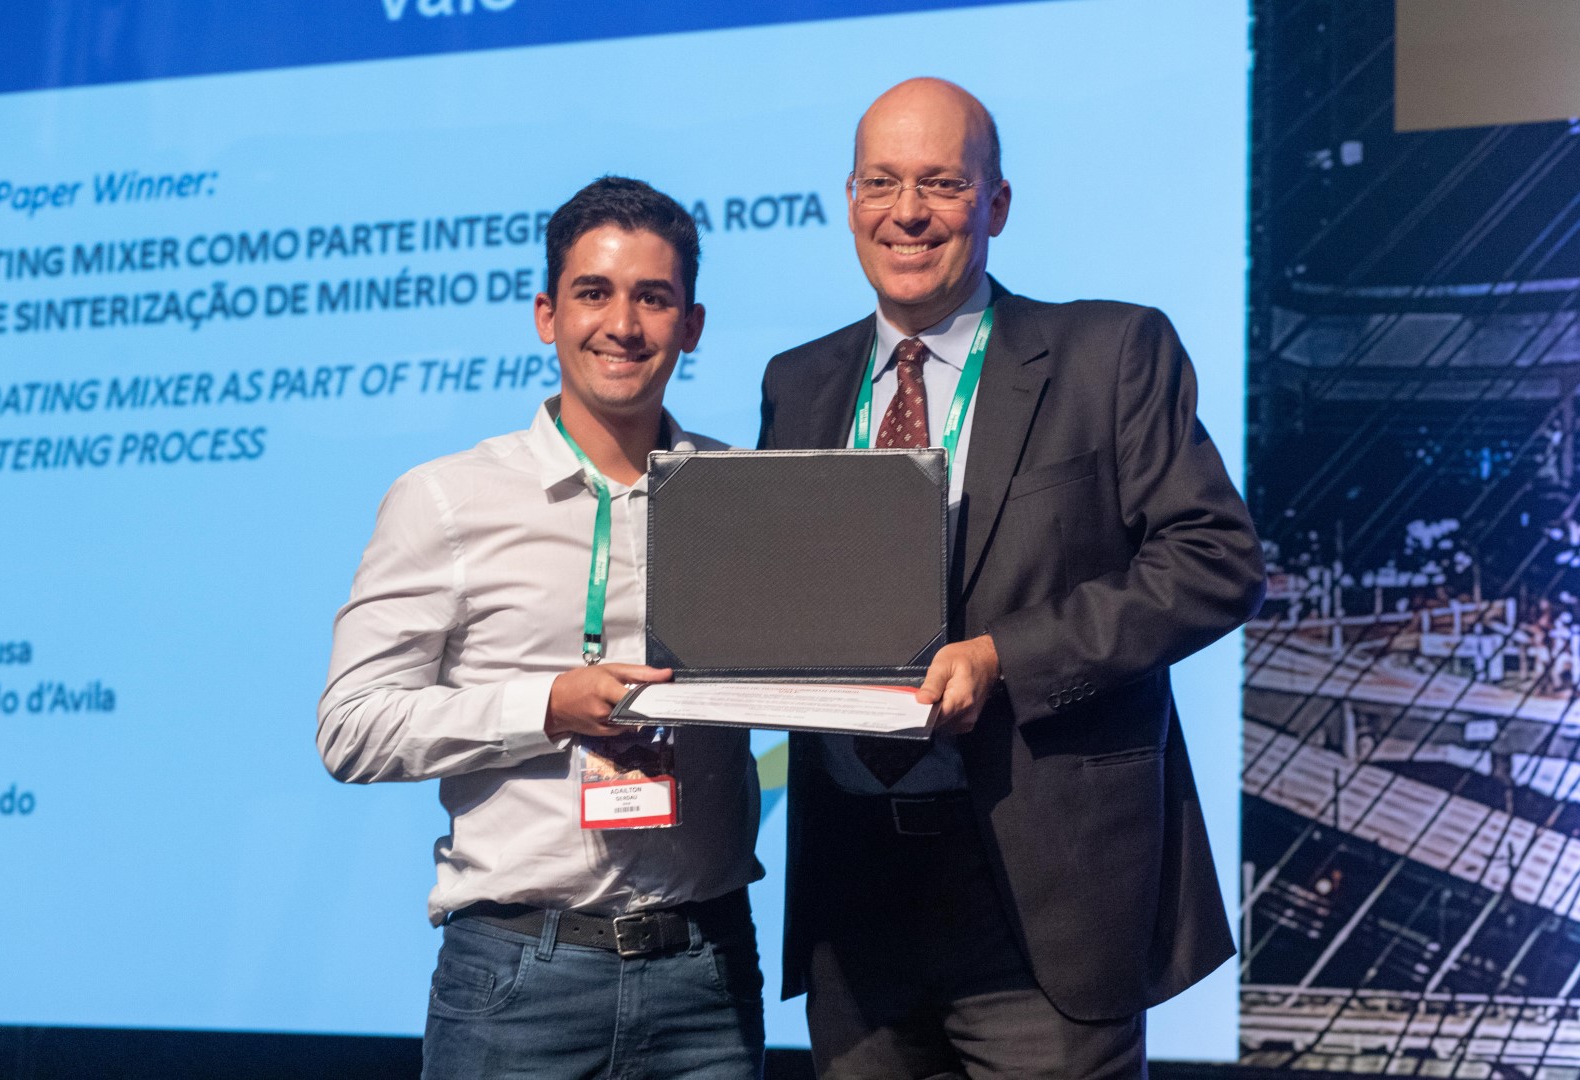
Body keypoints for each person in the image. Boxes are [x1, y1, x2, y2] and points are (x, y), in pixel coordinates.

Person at [759, 78, 1265, 1079]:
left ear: (995, 204)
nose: (908, 212)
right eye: (881, 182)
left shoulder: (1110, 353)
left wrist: (1005, 657)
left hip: (1046, 903)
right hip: (855, 900)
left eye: (942, 183)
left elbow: (1215, 559)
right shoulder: (798, 380)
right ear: (850, 201)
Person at [319, 176, 765, 1080]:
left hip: (707, 976)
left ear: (692, 324)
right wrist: (546, 707)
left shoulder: (747, 496)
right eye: (593, 293)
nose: (622, 324)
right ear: (546, 315)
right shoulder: (447, 500)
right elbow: (351, 728)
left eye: (653, 297)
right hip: (521, 977)